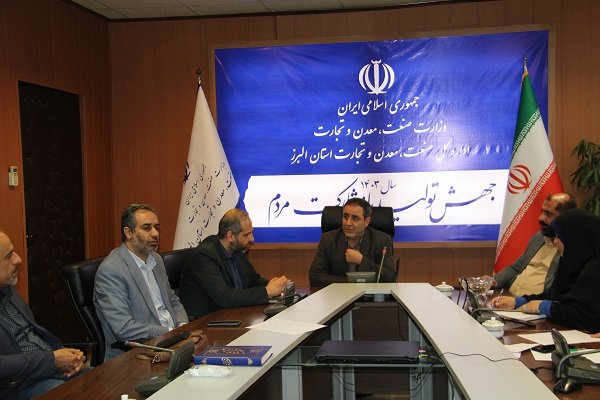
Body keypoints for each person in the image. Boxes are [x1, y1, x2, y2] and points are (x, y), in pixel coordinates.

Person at [93, 204, 188, 361]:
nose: (155, 234)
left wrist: (183, 325)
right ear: (128, 232)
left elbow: (172, 300)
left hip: (173, 343)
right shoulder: (111, 270)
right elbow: (123, 328)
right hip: (138, 354)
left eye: (157, 228)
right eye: (147, 228)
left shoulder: (156, 259)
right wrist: (169, 332)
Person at [0, 230, 85, 399]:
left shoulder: (7, 290)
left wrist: (68, 357)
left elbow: (34, 336)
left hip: (48, 371)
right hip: (19, 385)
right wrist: (52, 361)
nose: (18, 259)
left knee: (107, 379)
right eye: (9, 256)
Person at [493, 208, 600, 332]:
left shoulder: (594, 270)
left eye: (559, 237)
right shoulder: (572, 263)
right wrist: (519, 302)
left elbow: (587, 317)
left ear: (575, 239)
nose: (555, 242)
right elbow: (553, 296)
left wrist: (546, 307)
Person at [179, 208, 289, 319]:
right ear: (230, 236)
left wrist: (276, 284)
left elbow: (252, 280)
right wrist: (268, 291)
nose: (252, 238)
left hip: (234, 314)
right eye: (246, 235)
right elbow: (224, 297)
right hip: (207, 321)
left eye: (251, 233)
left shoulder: (237, 249)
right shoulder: (204, 256)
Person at [490, 193, 576, 296]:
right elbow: (516, 268)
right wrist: (491, 282)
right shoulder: (538, 237)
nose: (541, 218)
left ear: (566, 218)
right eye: (542, 212)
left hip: (535, 302)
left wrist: (520, 302)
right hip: (509, 297)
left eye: (549, 214)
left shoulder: (571, 248)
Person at [309, 198, 395, 287]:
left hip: (369, 294)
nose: (348, 223)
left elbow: (390, 277)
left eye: (355, 218)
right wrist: (351, 283)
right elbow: (315, 276)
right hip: (338, 294)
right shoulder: (328, 239)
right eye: (345, 217)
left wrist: (361, 260)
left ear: (366, 221)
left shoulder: (382, 240)